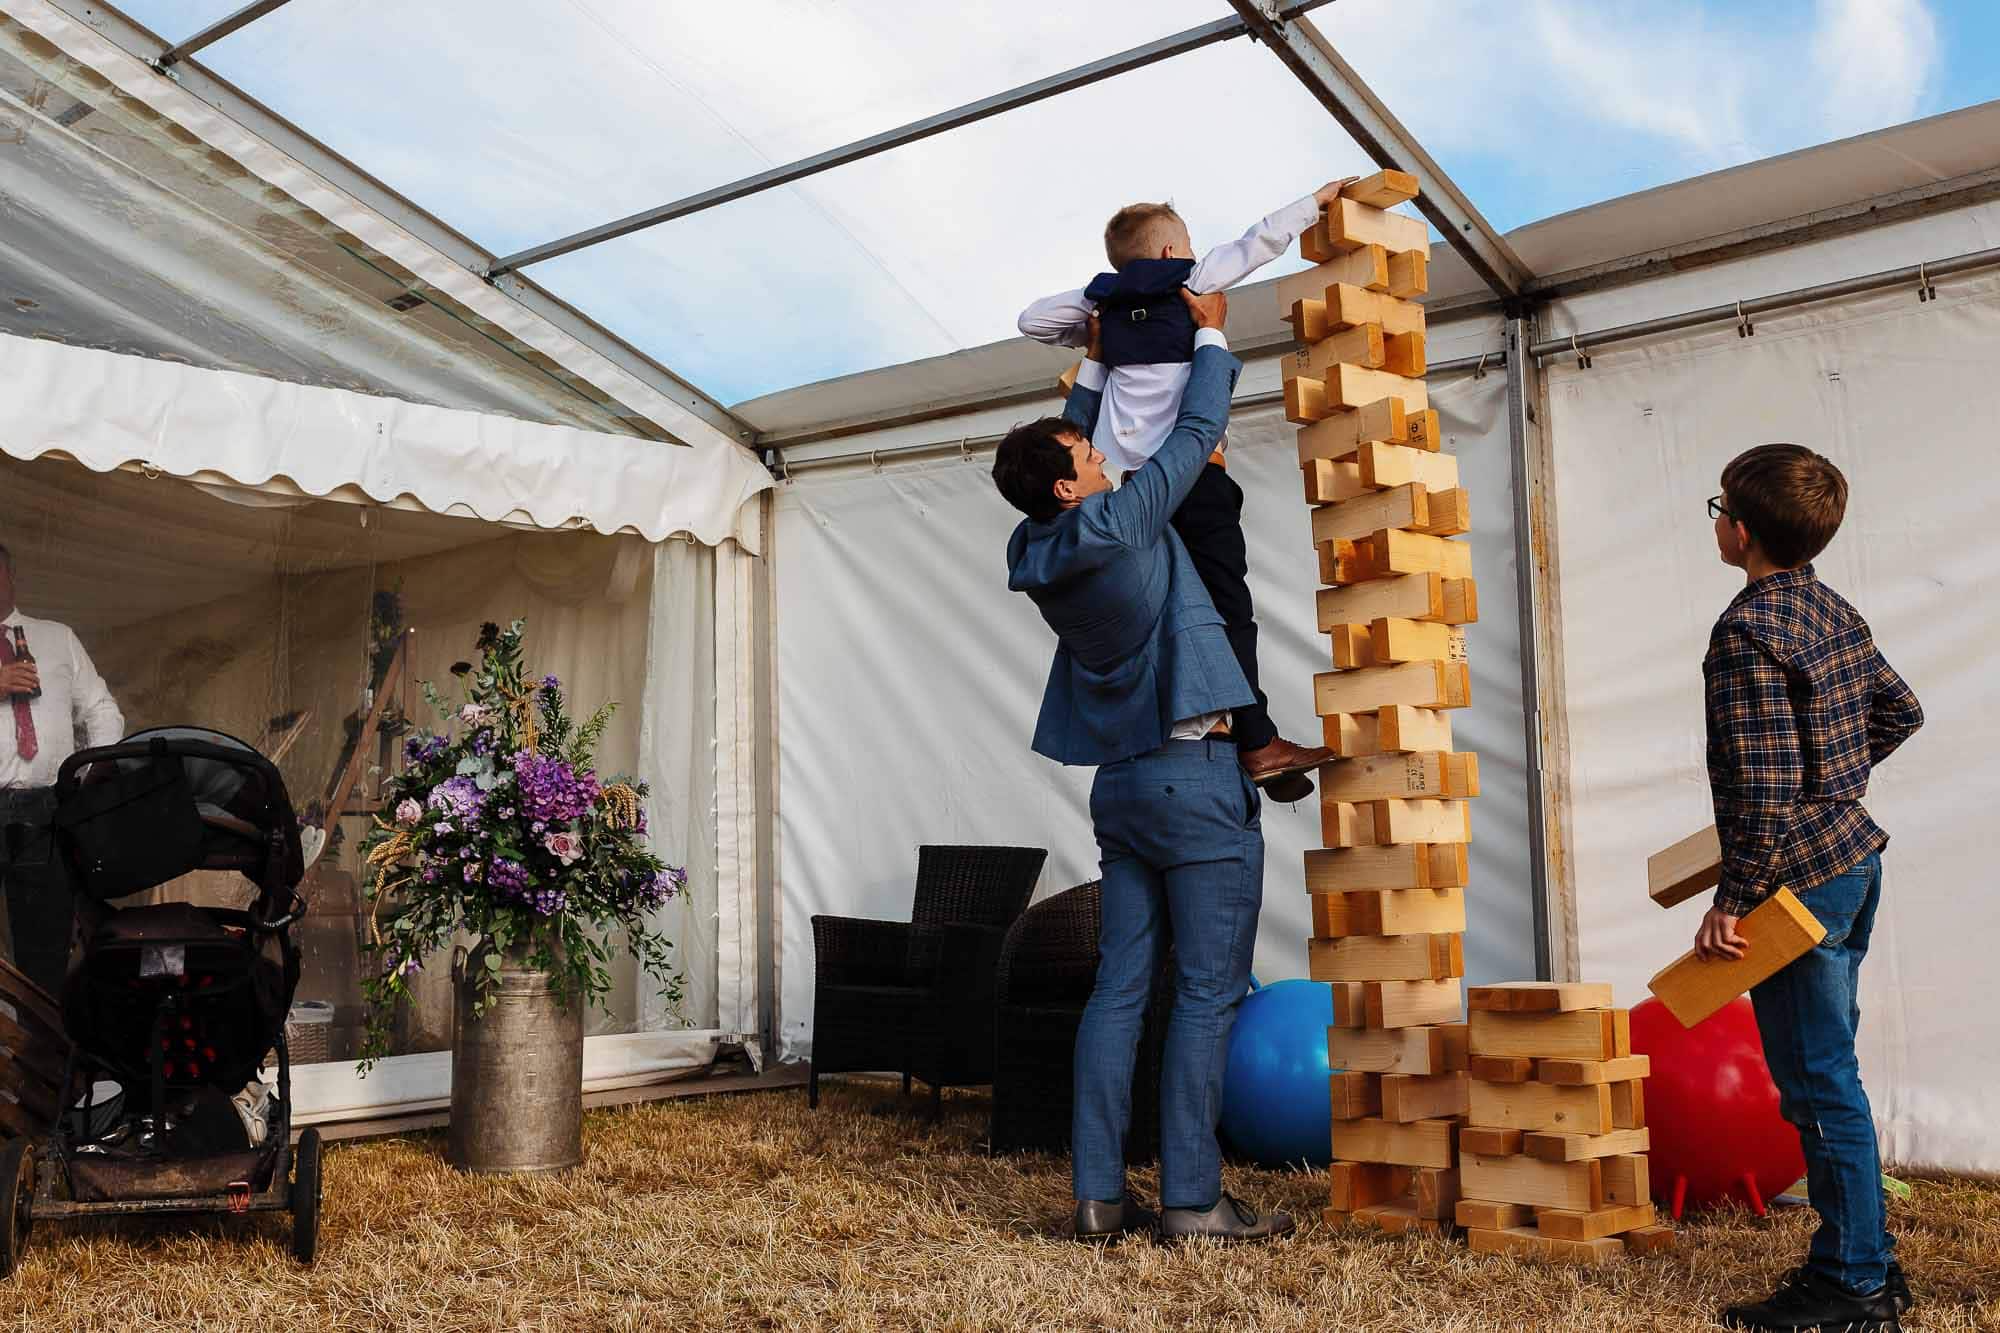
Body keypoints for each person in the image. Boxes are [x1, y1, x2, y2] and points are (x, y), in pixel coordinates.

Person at [993, 288, 1290, 1245]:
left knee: (1119, 988)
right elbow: (1196, 424)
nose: (1103, 452)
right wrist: (1207, 328)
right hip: (1194, 778)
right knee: (1206, 993)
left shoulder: (1036, 540)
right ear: (1077, 486)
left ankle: (1097, 1196)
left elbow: (1063, 447)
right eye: (1089, 457)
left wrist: (1092, 367)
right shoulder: (1124, 523)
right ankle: (1196, 1202)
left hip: (1118, 786)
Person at [1017, 182, 1358, 800]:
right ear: (1174, 248)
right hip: (1196, 480)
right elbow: (1260, 241)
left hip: (1140, 491)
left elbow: (1033, 319)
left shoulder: (1106, 300)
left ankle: (1241, 734)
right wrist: (1318, 201)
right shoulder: (1193, 279)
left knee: (1187, 611)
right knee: (1229, 611)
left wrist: (1094, 326)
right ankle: (1254, 740)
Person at [1692, 447, 1922, 1332]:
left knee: (1817, 1083)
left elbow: (1763, 786)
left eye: (1718, 507)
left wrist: (1733, 900)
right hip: (1853, 858)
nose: (1716, 519)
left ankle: (1856, 1286)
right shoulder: (1833, 606)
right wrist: (1840, 784)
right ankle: (1866, 1263)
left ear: (1741, 531)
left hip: (1800, 882)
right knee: (1832, 1071)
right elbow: (1900, 710)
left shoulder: (1747, 630)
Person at [0, 541, 124, 995]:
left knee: (45, 944)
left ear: (13, 578)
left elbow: (102, 710)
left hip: (45, 808)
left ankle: (42, 1058)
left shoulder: (56, 637)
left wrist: (90, 779)